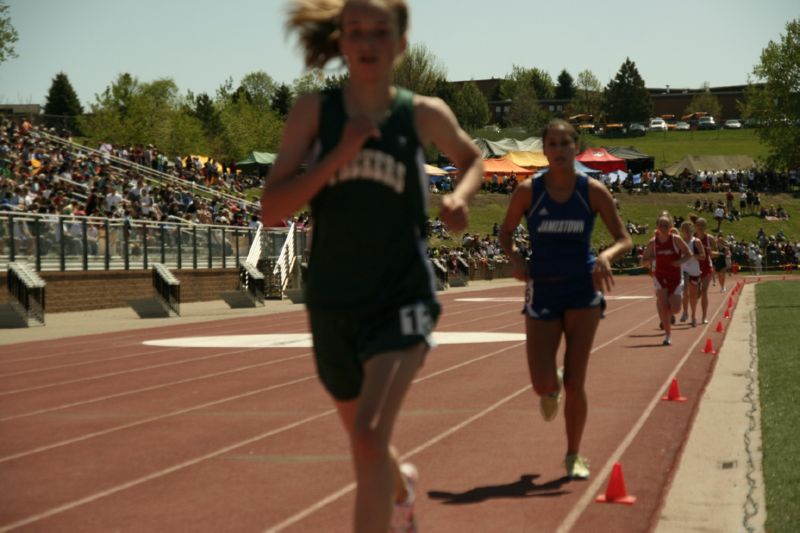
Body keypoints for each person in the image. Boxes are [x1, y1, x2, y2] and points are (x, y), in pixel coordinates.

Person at [260, 2, 483, 531]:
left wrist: (459, 197)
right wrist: (338, 154)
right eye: (355, 31)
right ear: (341, 42)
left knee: (366, 434)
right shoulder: (314, 112)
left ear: (401, 43)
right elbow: (272, 209)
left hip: (401, 295)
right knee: (365, 441)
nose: (367, 42)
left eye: (380, 31)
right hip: (334, 300)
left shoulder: (423, 113)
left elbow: (470, 158)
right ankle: (402, 488)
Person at [498, 119, 632, 480]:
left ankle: (574, 454)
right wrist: (516, 260)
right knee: (544, 384)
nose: (558, 150)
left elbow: (624, 239)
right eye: (552, 144)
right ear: (544, 150)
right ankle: (551, 383)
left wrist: (606, 256)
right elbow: (505, 233)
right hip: (542, 287)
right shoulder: (528, 191)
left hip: (582, 290)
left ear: (576, 148)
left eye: (565, 144)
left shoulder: (593, 191)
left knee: (576, 382)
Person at [641, 213, 693, 345]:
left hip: (675, 277)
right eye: (661, 225)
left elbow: (689, 254)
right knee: (663, 306)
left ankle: (670, 312)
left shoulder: (676, 240)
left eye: (666, 225)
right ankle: (667, 335)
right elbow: (644, 261)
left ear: (670, 226)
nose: (663, 227)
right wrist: (650, 260)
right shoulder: (653, 242)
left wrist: (679, 261)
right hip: (660, 277)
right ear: (657, 227)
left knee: (675, 309)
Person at [678, 221, 705, 327]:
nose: (686, 231)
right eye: (684, 229)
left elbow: (703, 256)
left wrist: (692, 255)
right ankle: (685, 312)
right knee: (685, 291)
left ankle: (693, 316)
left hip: (694, 270)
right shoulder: (679, 241)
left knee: (693, 295)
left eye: (688, 229)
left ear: (692, 230)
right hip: (683, 269)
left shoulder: (696, 241)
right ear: (682, 231)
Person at [694, 217, 717, 323]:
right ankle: (693, 314)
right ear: (695, 226)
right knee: (696, 293)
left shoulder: (710, 238)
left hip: (707, 267)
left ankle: (704, 316)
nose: (700, 227)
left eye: (702, 225)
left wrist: (710, 252)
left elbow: (715, 254)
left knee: (704, 291)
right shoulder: (692, 239)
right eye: (698, 225)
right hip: (694, 268)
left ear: (705, 227)